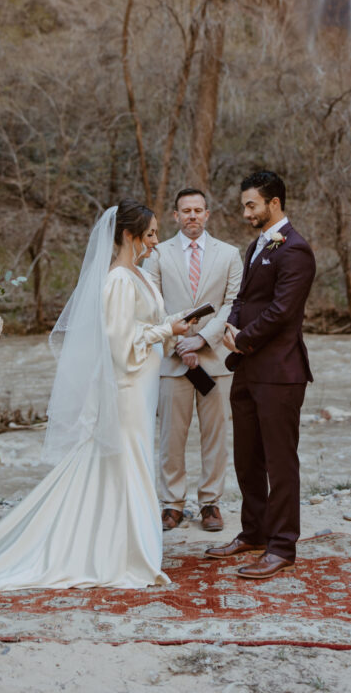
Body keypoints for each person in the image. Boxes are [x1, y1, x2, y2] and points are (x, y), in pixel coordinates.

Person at [0, 199, 191, 593]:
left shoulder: (139, 276)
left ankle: (122, 543)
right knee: (130, 462)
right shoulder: (119, 280)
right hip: (126, 390)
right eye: (151, 234)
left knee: (127, 463)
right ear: (128, 235)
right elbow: (120, 344)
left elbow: (143, 326)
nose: (157, 241)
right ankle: (127, 551)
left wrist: (171, 323)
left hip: (143, 387)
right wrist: (168, 332)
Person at [207, 170, 316, 580]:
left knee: (279, 461)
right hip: (247, 368)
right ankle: (253, 532)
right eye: (244, 205)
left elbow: (282, 311)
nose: (246, 212)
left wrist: (243, 338)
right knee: (247, 457)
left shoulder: (296, 250)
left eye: (251, 205)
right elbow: (242, 299)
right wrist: (229, 330)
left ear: (274, 203)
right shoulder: (257, 245)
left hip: (280, 372)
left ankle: (282, 546)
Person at [145, 187, 243, 533]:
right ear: (175, 216)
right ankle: (172, 504)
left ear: (207, 215)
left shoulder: (229, 254)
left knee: (215, 435)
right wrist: (178, 342)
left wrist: (201, 339)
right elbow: (151, 306)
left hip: (215, 359)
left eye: (198, 210)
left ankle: (210, 503)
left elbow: (233, 303)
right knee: (171, 436)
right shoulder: (157, 254)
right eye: (185, 211)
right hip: (172, 361)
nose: (192, 216)